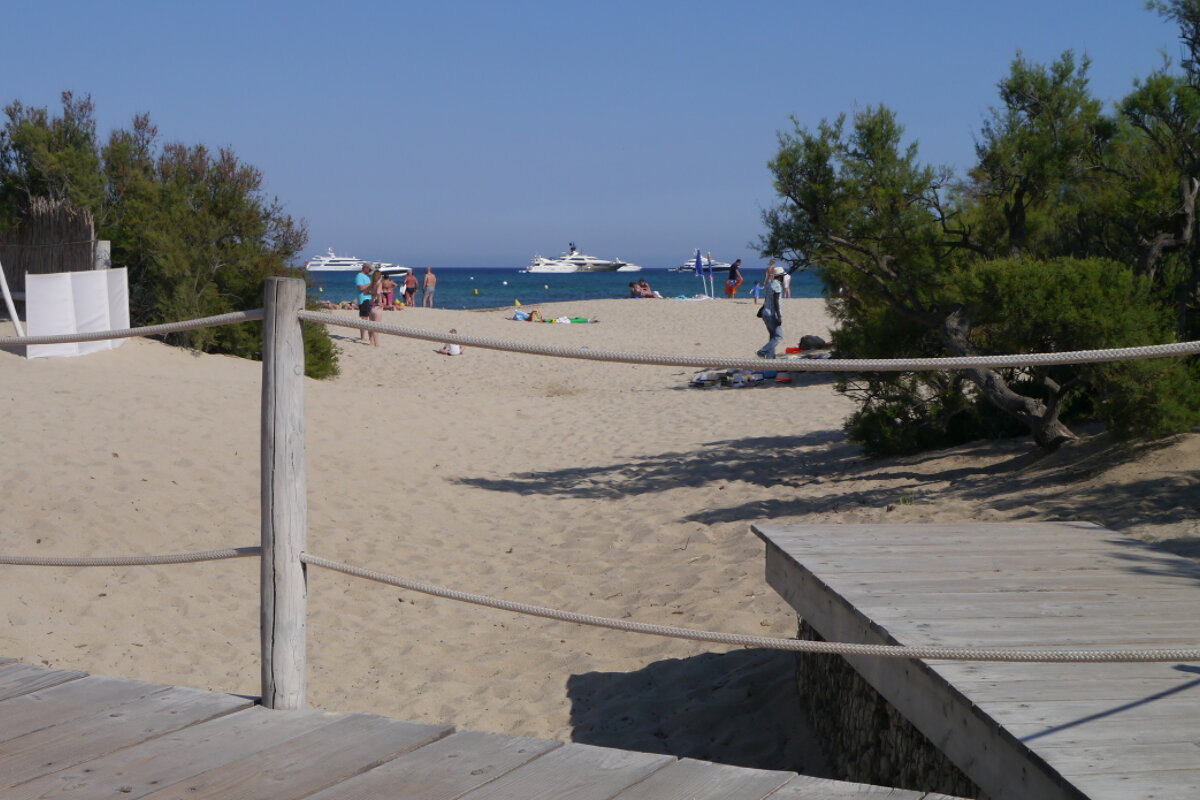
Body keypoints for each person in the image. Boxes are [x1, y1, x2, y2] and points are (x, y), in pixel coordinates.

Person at [757, 265, 785, 358]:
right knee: (778, 336)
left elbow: (767, 298)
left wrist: (770, 268)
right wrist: (779, 316)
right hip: (772, 314)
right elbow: (776, 301)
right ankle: (762, 351)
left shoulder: (769, 283)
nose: (783, 278)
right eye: (783, 276)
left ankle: (770, 357)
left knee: (772, 336)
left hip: (765, 313)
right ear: (780, 276)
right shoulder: (777, 286)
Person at [355, 264, 373, 342]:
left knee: (369, 317)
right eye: (369, 269)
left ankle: (368, 336)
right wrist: (371, 284)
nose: (370, 271)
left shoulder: (367, 277)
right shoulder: (359, 276)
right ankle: (362, 337)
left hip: (369, 298)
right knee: (364, 318)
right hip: (363, 299)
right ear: (365, 268)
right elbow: (360, 287)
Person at [367, 268, 384, 346]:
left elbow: (367, 292)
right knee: (376, 326)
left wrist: (373, 294)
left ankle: (371, 341)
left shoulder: (372, 283)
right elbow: (378, 292)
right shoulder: (379, 283)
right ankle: (376, 343)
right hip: (377, 305)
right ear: (380, 276)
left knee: (371, 325)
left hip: (370, 305)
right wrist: (379, 299)